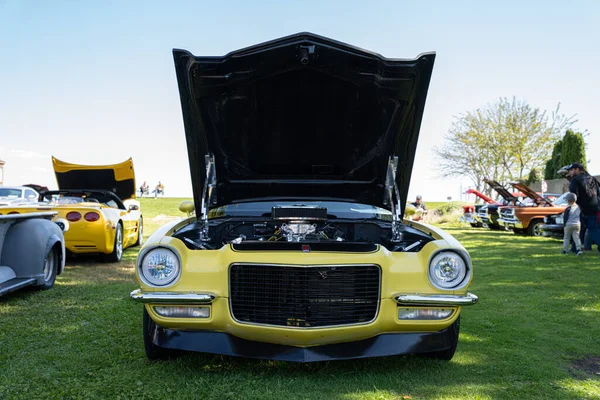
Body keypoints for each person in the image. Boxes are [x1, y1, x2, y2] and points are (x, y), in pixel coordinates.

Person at [568, 162, 600, 252]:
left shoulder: (575, 180)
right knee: (593, 229)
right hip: (594, 207)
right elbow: (598, 192)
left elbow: (574, 196)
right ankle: (574, 248)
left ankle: (575, 248)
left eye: (572, 170)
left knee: (578, 230)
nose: (570, 172)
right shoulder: (593, 179)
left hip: (581, 208)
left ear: (578, 169)